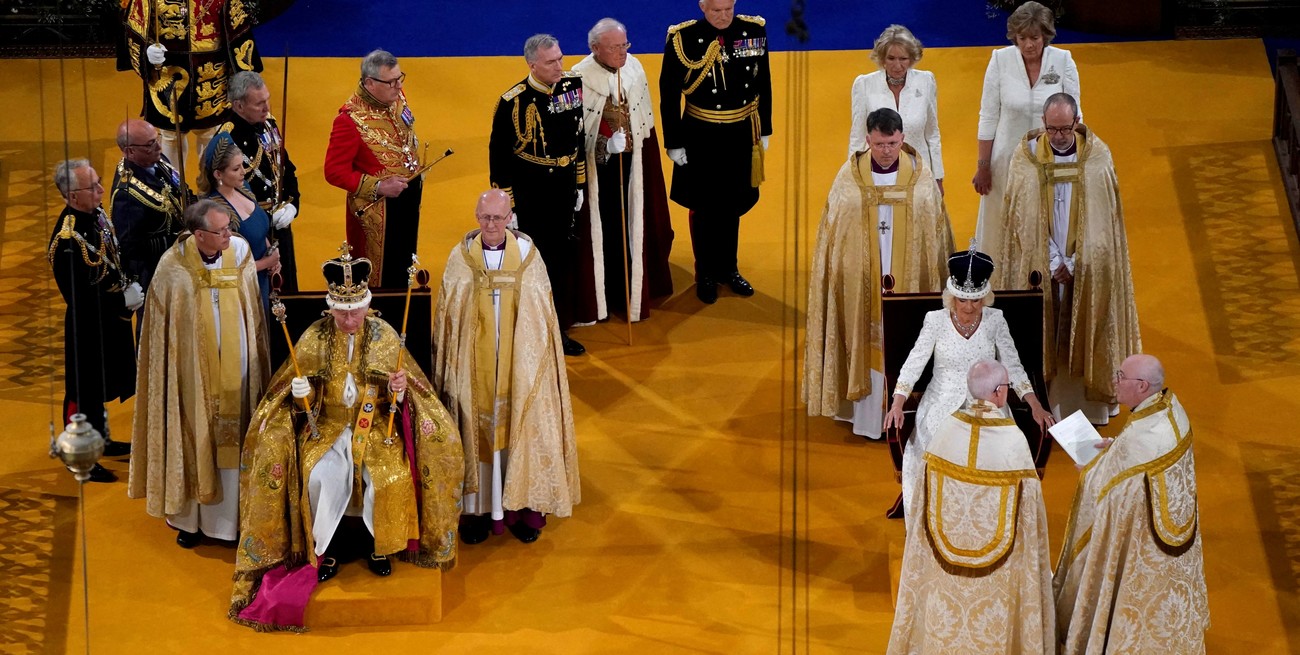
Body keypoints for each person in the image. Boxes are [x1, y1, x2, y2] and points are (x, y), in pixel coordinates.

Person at [230, 244, 464, 631]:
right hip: (327, 429)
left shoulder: (386, 336)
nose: (350, 319)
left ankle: (380, 548)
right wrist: (301, 393)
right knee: (322, 477)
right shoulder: (314, 337)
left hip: (376, 432)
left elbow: (413, 392)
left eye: (356, 310)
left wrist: (400, 390)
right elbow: (285, 391)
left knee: (388, 479)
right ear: (331, 309)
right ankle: (329, 549)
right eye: (342, 312)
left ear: (367, 307)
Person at [431, 189, 581, 545]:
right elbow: (449, 318)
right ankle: (477, 512)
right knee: (472, 425)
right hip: (474, 370)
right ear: (476, 216)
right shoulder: (461, 258)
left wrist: (528, 362)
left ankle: (521, 509)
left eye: (498, 218)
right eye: (485, 217)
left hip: (518, 366)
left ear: (510, 217)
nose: (491, 224)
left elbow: (541, 316)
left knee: (520, 424)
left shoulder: (528, 256)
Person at [128, 199, 270, 548]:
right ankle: (190, 521)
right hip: (192, 376)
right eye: (219, 230)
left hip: (238, 371)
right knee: (193, 434)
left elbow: (252, 310)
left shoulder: (239, 252)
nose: (228, 234)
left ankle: (232, 523)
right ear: (198, 234)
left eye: (228, 228)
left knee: (235, 439)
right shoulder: (172, 267)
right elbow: (163, 333)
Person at [887, 359, 1053, 654]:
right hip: (998, 576)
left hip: (944, 568)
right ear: (1000, 393)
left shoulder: (944, 433)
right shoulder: (1013, 441)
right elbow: (1030, 510)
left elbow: (922, 499)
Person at [805, 107, 952, 440]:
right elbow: (836, 233)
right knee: (866, 335)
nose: (887, 151)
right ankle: (869, 419)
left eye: (893, 143)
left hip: (908, 277)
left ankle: (911, 408)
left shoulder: (920, 177)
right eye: (880, 144)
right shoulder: (849, 177)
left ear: (902, 139)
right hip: (863, 278)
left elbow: (935, 235)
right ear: (868, 139)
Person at [996, 93, 1140, 424]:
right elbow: (1021, 217)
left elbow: (1104, 223)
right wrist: (1050, 260)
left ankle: (1086, 408)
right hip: (1042, 262)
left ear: (1077, 121)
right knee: (1043, 327)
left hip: (1084, 264)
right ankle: (1042, 405)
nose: (1058, 136)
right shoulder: (1027, 159)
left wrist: (1074, 263)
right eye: (1051, 129)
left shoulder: (1098, 158)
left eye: (1064, 128)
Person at [1053, 354, 1209, 653]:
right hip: (1168, 540)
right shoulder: (1168, 408)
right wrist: (1115, 448)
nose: (1115, 380)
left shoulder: (1144, 438)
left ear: (1141, 386)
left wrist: (1091, 467)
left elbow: (1106, 487)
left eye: (1121, 376)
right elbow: (1139, 462)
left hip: (1142, 543)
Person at [883, 249, 1054, 520]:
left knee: (998, 449)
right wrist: (896, 403)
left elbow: (1013, 365)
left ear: (984, 297)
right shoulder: (935, 321)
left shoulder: (995, 320)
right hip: (941, 402)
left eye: (975, 300)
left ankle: (987, 517)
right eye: (962, 299)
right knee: (944, 447)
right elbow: (913, 363)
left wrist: (1035, 404)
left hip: (988, 400)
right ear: (951, 296)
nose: (968, 307)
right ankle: (943, 518)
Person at [660, 0, 772, 304]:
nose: (722, 17)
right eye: (715, 11)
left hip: (740, 133)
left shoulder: (753, 30)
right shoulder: (682, 38)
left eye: (727, 9)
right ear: (702, 6)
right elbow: (669, 94)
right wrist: (674, 141)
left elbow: (763, 81)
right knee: (705, 206)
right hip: (701, 135)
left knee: (733, 203)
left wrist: (765, 129)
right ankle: (706, 273)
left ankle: (729, 269)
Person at [489, 34, 590, 356]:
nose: (560, 65)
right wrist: (510, 205)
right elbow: (499, 157)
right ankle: (527, 329)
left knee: (561, 262)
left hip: (562, 190)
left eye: (560, 58)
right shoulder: (512, 103)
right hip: (531, 193)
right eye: (551, 62)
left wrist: (578, 185)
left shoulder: (573, 86)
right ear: (532, 64)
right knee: (531, 264)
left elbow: (578, 139)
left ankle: (558, 328)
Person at [573, 18, 675, 322]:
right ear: (595, 49)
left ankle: (638, 288)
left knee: (636, 226)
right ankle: (606, 297)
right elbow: (579, 134)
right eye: (615, 47)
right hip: (600, 174)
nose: (622, 52)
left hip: (635, 165)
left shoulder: (635, 68)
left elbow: (644, 120)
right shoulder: (579, 78)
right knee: (607, 234)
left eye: (625, 44)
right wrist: (604, 145)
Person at [48, 159, 143, 483]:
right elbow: (81, 298)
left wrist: (128, 283)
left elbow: (111, 257)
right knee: (83, 391)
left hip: (109, 322)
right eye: (93, 187)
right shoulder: (69, 242)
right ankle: (80, 453)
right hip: (87, 327)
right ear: (73, 196)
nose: (102, 190)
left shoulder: (96, 215)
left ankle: (100, 437)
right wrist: (122, 299)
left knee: (102, 384)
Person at [973, 1, 1080, 253]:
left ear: (1045, 36)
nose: (1028, 45)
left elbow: (1076, 116)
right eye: (1022, 38)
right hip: (1005, 163)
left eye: (1034, 37)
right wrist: (983, 166)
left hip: (1052, 161)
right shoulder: (999, 60)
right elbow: (988, 116)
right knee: (1000, 227)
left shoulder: (1063, 61)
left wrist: (1074, 162)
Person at [116, 0, 262, 171]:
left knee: (210, 134)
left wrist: (244, 80)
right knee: (170, 135)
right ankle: (174, 186)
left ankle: (212, 186)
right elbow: (135, 23)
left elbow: (238, 30)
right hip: (166, 72)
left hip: (211, 74)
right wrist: (145, 50)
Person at [324, 49, 422, 289]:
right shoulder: (348, 121)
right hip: (376, 213)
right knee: (380, 278)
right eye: (391, 82)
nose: (398, 86)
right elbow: (333, 171)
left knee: (403, 265)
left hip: (406, 200)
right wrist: (378, 186)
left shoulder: (393, 94)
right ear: (369, 83)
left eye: (400, 78)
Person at [220, 70, 301, 291]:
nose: (266, 108)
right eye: (259, 104)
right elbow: (226, 194)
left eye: (267, 100)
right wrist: (263, 217)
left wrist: (293, 205)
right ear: (238, 106)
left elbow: (286, 168)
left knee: (288, 289)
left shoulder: (268, 124)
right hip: (253, 233)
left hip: (281, 222)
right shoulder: (227, 138)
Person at [847, 25, 945, 194]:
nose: (897, 65)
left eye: (903, 59)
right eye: (891, 58)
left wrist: (938, 177)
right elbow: (858, 136)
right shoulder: (864, 84)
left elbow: (932, 133)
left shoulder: (926, 81)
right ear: (882, 58)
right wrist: (852, 178)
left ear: (912, 58)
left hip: (920, 173)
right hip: (876, 174)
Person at [198, 131, 281, 317]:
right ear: (218, 173)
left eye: (242, 165)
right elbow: (222, 269)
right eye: (236, 169)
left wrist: (271, 250)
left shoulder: (244, 188)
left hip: (261, 279)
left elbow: (258, 228)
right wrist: (266, 262)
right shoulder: (215, 211)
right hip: (240, 291)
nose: (243, 172)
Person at [109, 118, 185, 303]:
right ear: (130, 151)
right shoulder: (126, 194)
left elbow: (179, 192)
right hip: (152, 271)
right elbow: (130, 246)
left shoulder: (159, 161)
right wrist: (177, 238)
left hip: (176, 260)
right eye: (150, 144)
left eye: (157, 139)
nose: (159, 147)